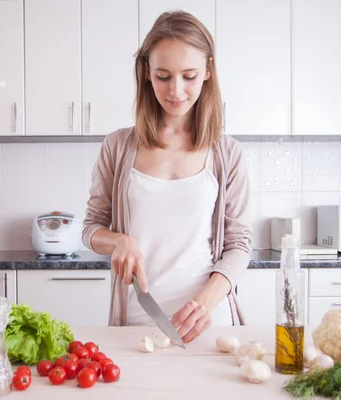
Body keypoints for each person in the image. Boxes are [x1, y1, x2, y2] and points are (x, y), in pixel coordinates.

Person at [82, 10, 252, 344]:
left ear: (208, 71)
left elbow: (239, 244)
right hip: (136, 325)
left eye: (189, 76)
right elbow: (90, 228)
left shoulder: (228, 153)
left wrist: (205, 303)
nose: (176, 91)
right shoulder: (117, 147)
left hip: (210, 324)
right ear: (147, 72)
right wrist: (119, 241)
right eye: (163, 76)